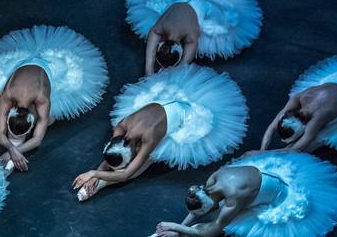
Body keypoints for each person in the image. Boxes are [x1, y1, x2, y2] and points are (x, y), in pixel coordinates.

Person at [72, 65, 246, 201]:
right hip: (159, 107)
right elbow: (112, 156)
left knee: (142, 163)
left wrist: (95, 174)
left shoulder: (150, 137)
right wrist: (94, 171)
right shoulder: (120, 128)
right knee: (118, 162)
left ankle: (99, 186)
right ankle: (95, 183)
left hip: (186, 118)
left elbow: (126, 173)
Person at [139, 151, 337, 237]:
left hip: (277, 198)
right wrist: (179, 225)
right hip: (256, 179)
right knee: (210, 218)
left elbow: (207, 234)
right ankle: (168, 236)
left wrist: (173, 227)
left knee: (223, 225)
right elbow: (197, 211)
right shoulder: (212, 181)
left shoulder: (234, 198)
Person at [0, 25, 108, 172]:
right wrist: (13, 150)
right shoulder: (7, 95)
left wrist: (10, 153)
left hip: (50, 69)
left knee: (49, 119)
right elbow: (0, 134)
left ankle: (12, 152)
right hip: (20, 66)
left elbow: (38, 139)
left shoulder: (42, 99)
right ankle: (14, 144)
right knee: (13, 121)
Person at [125, 0, 262, 72]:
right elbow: (184, 61)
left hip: (201, 6)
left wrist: (149, 70)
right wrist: (150, 69)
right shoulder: (163, 29)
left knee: (224, 22)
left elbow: (184, 63)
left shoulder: (187, 36)